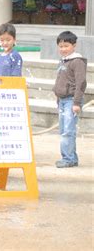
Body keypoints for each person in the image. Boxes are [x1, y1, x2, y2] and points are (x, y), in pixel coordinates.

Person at [52, 31, 87, 168]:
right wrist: (58, 99)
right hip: (62, 100)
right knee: (63, 130)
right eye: (60, 46)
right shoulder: (62, 61)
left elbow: (81, 83)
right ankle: (71, 157)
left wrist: (77, 103)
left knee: (68, 131)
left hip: (71, 100)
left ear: (74, 46)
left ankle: (68, 159)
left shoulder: (77, 62)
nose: (63, 49)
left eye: (66, 46)